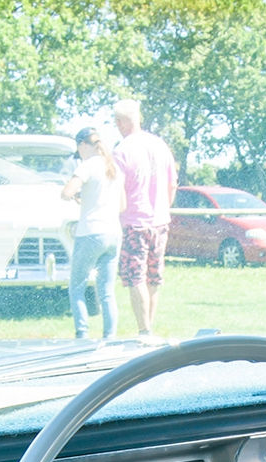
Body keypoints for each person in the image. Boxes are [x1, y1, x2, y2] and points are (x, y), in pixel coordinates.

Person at [111, 99, 178, 337]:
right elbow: (172, 185)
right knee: (154, 276)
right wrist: (162, 208)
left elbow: (116, 189)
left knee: (135, 276)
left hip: (134, 223)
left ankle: (144, 330)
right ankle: (148, 326)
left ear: (120, 122)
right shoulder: (160, 145)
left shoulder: (121, 151)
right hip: (160, 221)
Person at [60, 126, 122, 339]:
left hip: (90, 232)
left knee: (77, 286)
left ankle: (82, 334)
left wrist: (75, 196)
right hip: (113, 233)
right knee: (106, 292)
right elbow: (121, 205)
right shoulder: (112, 167)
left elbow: (66, 192)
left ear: (83, 145)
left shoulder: (87, 166)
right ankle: (109, 337)